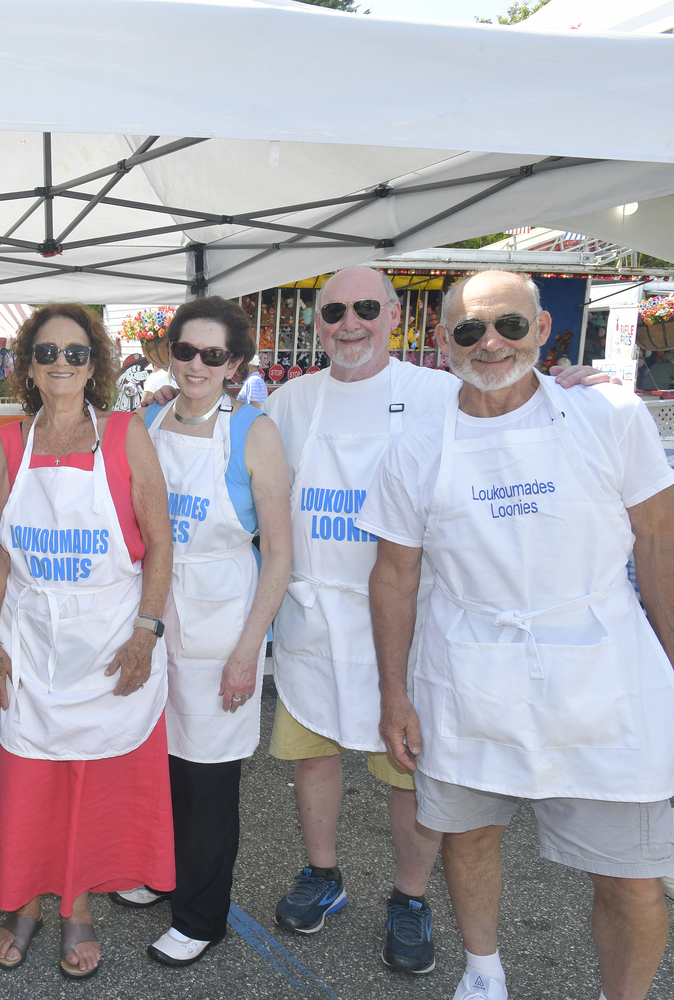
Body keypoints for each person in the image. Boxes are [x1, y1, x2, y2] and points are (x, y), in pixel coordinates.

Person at [261, 266, 609, 975]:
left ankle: (410, 896)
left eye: (365, 308)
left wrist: (570, 387)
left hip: (405, 625)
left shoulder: (440, 391)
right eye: (334, 311)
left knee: (407, 774)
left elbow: (515, 406)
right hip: (313, 619)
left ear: (393, 314)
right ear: (318, 320)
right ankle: (322, 874)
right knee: (314, 757)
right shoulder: (288, 401)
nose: (348, 323)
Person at [363, 269, 674, 1000]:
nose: (490, 343)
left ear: (542, 331)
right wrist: (392, 695)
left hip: (603, 673)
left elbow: (659, 542)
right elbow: (394, 577)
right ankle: (483, 972)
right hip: (469, 671)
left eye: (508, 325)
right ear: (444, 343)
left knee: (632, 876)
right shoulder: (415, 445)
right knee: (468, 837)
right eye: (469, 330)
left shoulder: (610, 414)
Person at [0, 303, 175, 979]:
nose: (63, 364)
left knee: (90, 784)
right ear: (28, 366)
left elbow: (160, 542)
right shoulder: (11, 441)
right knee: (30, 781)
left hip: (110, 638)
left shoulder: (124, 433)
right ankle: (28, 900)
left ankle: (78, 906)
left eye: (77, 353)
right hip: (30, 640)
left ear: (96, 366)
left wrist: (148, 630)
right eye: (49, 353)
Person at [117, 297, 291, 967]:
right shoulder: (147, 422)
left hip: (221, 621)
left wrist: (251, 649)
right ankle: (160, 873)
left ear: (235, 364)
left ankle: (200, 914)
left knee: (208, 779)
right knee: (154, 760)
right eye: (185, 350)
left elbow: (278, 550)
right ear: (168, 353)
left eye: (213, 355)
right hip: (154, 615)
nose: (196, 364)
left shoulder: (255, 432)